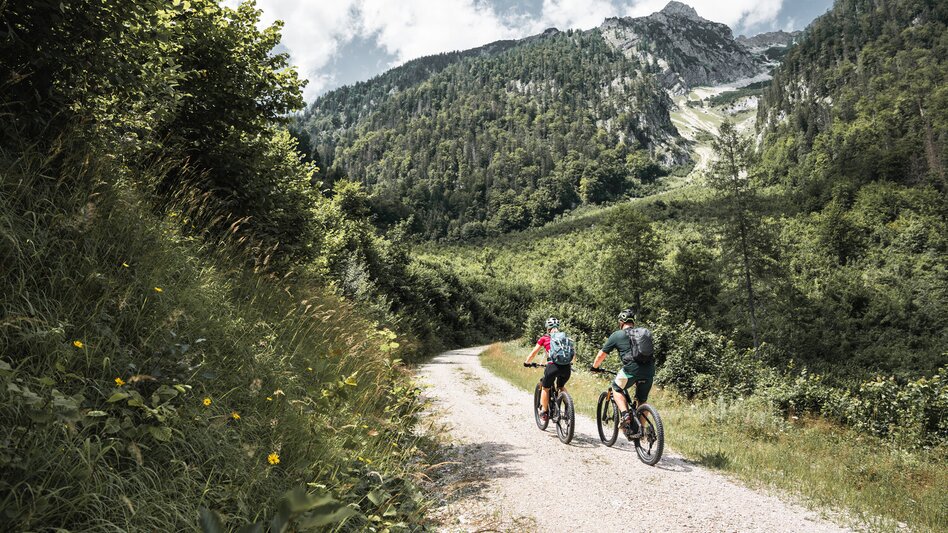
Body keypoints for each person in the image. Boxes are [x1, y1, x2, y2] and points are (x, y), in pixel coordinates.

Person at [590, 308, 655, 437]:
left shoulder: (617, 335)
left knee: (616, 388)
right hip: (649, 370)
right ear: (633, 322)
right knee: (642, 400)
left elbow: (601, 356)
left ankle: (625, 415)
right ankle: (640, 430)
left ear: (621, 322)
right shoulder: (643, 334)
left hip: (631, 369)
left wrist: (594, 367)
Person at [523, 317, 572, 422]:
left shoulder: (544, 338)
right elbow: (573, 353)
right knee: (561, 386)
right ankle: (569, 408)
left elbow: (533, 353)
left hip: (553, 366)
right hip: (567, 367)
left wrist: (527, 362)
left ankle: (544, 412)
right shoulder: (565, 338)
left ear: (547, 328)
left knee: (545, 388)